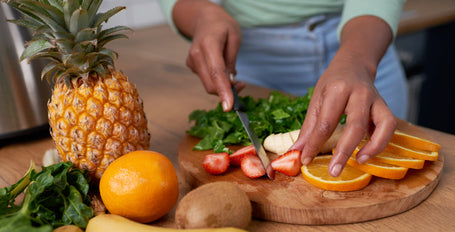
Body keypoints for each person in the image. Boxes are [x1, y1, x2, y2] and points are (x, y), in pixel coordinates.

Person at [158, 0, 408, 177]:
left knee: (385, 159)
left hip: (366, 42)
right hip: (250, 52)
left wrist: (359, 59)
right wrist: (202, 14)